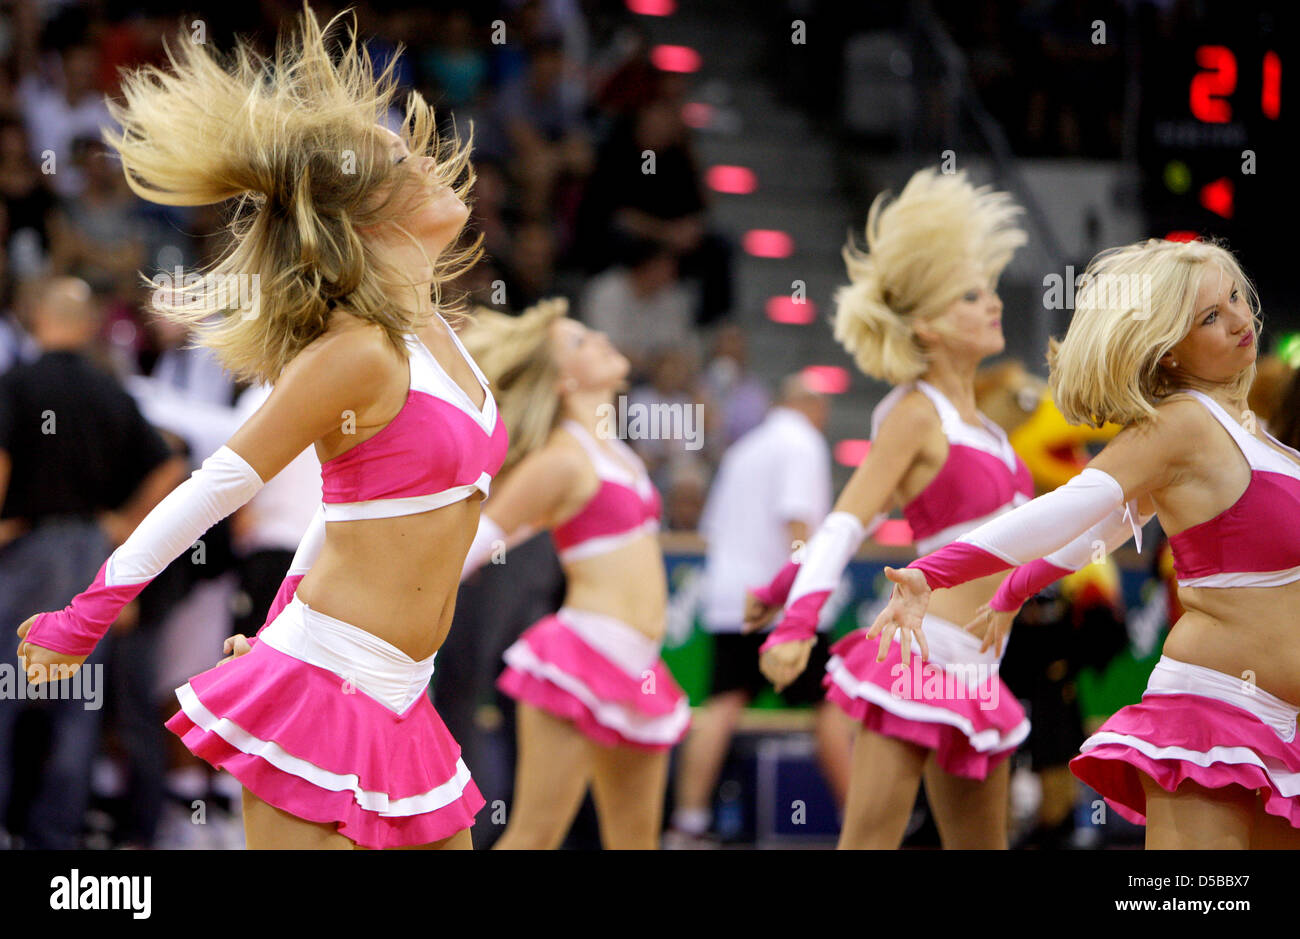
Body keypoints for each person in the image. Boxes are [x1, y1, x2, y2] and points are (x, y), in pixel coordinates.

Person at [15, 8, 504, 850]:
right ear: (363, 216)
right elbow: (217, 486)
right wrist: (87, 612)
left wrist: (277, 611)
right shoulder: (358, 350)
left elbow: (354, 506)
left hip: (403, 696)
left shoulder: (440, 332)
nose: (429, 157)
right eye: (400, 157)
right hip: (327, 687)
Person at [873, 237, 1300, 849]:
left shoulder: (1257, 438)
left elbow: (1093, 539)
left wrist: (1013, 593)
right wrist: (934, 573)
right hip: (1215, 713)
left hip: (1282, 725)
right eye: (1209, 316)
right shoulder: (1180, 423)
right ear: (1167, 352)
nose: (1238, 319)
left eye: (1235, 297)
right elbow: (1069, 508)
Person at [747, 168, 1058, 849]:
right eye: (968, 297)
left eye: (987, 289)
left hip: (980, 672)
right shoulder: (916, 415)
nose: (991, 303)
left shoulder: (996, 434)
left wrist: (778, 585)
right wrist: (796, 618)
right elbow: (848, 518)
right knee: (869, 843)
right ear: (926, 326)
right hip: (919, 656)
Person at [458, 298, 691, 849]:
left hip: (638, 666)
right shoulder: (564, 458)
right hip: (580, 657)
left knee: (635, 841)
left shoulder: (622, 454)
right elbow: (482, 539)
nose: (601, 340)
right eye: (580, 341)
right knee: (536, 836)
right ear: (563, 379)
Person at [0, 276, 185, 848]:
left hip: (28, 551)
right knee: (75, 705)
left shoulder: (17, 385)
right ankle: (55, 839)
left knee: (6, 690)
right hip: (91, 556)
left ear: (37, 320)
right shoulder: (112, 391)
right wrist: (125, 526)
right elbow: (170, 467)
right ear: (85, 327)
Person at [668, 375, 852, 846]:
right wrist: (803, 592)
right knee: (828, 706)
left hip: (733, 598)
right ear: (809, 405)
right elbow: (797, 524)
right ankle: (864, 825)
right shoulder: (803, 442)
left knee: (723, 704)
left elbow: (716, 528)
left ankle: (687, 824)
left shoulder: (743, 450)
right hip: (781, 600)